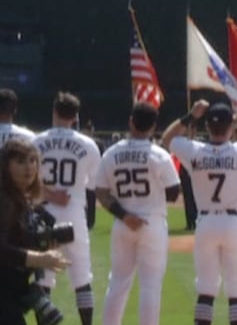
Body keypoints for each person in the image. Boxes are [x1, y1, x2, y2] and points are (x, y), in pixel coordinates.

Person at [163, 101, 237, 325]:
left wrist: (190, 116)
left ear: (207, 126)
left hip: (206, 222)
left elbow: (168, 140)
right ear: (231, 126)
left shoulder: (195, 150)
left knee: (206, 289)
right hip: (234, 223)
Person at [0, 139, 70, 325]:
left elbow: (17, 240)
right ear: (5, 166)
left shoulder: (22, 201)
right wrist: (39, 258)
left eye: (33, 160)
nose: (29, 167)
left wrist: (43, 245)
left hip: (2, 296)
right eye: (20, 161)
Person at [94, 102, 182, 325]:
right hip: (152, 221)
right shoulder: (159, 155)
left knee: (118, 282)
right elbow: (173, 193)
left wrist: (123, 214)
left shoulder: (112, 153)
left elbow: (101, 192)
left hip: (122, 222)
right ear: (153, 127)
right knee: (150, 285)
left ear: (131, 121)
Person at [33, 92, 103, 325]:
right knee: (82, 278)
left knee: (43, 277)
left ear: (54, 111)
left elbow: (26, 183)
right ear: (75, 117)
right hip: (74, 211)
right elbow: (93, 186)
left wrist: (51, 193)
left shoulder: (36, 142)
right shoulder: (89, 145)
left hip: (43, 211)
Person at [80, 119, 105, 230]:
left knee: (91, 199)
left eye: (90, 129)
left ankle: (90, 222)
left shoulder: (97, 143)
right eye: (87, 129)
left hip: (92, 174)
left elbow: (102, 158)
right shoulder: (81, 142)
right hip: (82, 174)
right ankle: (84, 221)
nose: (89, 131)